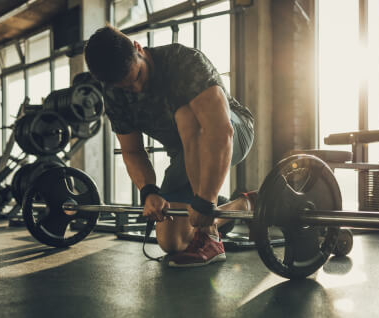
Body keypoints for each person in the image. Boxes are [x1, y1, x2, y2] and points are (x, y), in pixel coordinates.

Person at [84, 25, 255, 267]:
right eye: (126, 87)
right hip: (185, 155)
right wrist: (149, 191)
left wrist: (205, 201)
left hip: (233, 131)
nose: (137, 89)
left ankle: (210, 237)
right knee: (172, 243)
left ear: (138, 49)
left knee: (185, 114)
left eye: (137, 77)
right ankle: (243, 204)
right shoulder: (113, 94)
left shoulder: (183, 63)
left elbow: (220, 131)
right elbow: (132, 150)